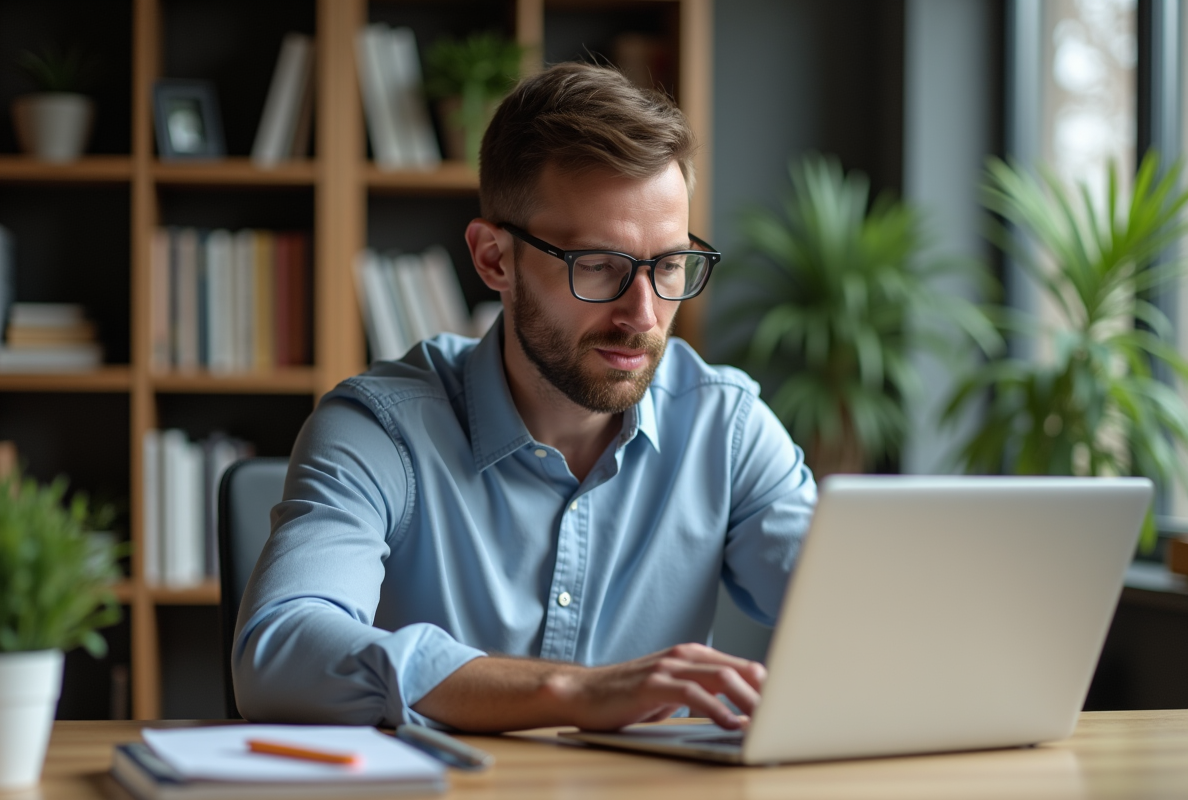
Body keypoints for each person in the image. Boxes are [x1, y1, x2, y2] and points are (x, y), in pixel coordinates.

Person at [233, 63, 816, 733]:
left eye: (669, 265)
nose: (644, 315)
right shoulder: (378, 430)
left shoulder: (728, 428)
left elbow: (857, 613)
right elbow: (277, 653)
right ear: (494, 260)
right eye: (598, 264)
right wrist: (573, 692)